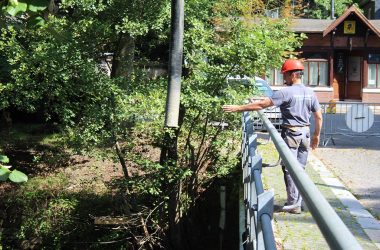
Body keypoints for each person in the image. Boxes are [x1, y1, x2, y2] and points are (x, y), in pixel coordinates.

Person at [222, 59, 323, 214]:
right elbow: (318, 116)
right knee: (301, 169)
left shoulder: (285, 92)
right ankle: (298, 201)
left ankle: (293, 204)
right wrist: (316, 136)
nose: (284, 79)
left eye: (285, 75)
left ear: (292, 75)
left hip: (292, 134)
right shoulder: (310, 92)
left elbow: (262, 105)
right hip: (306, 134)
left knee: (289, 169)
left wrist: (238, 108)